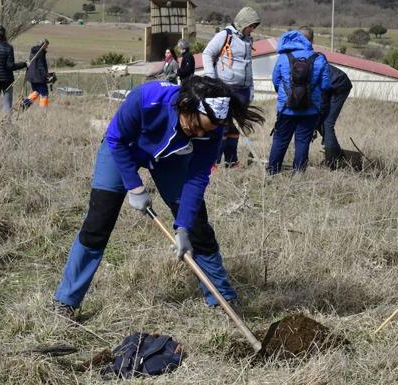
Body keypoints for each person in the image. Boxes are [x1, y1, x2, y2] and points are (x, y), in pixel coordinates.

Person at [52, 76, 265, 318]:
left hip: (171, 159)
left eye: (205, 130)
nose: (198, 133)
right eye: (196, 126)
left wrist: (183, 227)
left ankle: (221, 299)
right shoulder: (147, 98)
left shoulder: (210, 132)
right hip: (122, 151)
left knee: (197, 226)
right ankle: (66, 301)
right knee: (97, 224)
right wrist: (134, 187)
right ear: (184, 105)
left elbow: (196, 179)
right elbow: (115, 139)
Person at [267, 26, 330, 175]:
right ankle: (298, 175)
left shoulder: (283, 57)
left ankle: (272, 172)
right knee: (302, 142)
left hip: (286, 108)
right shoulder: (319, 58)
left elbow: (275, 80)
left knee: (280, 140)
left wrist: (286, 96)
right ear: (311, 40)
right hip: (310, 109)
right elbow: (326, 85)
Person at [203, 7, 260, 167]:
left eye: (254, 27)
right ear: (243, 23)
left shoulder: (249, 40)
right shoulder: (225, 35)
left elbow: (248, 66)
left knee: (235, 128)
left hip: (243, 91)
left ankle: (231, 160)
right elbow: (207, 53)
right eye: (251, 26)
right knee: (221, 126)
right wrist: (211, 79)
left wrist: (251, 88)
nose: (252, 29)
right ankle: (213, 161)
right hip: (224, 88)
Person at [315, 64, 352, 169]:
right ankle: (336, 154)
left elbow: (321, 105)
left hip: (340, 85)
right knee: (321, 122)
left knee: (327, 123)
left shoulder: (311, 75)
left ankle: (333, 161)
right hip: (331, 85)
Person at [23, 38, 50, 109]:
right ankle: (43, 109)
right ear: (43, 45)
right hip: (39, 77)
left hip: (32, 76)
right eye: (46, 45)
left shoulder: (33, 51)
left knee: (36, 92)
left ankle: (24, 104)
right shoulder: (40, 52)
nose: (47, 47)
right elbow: (41, 66)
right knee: (44, 93)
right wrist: (46, 75)